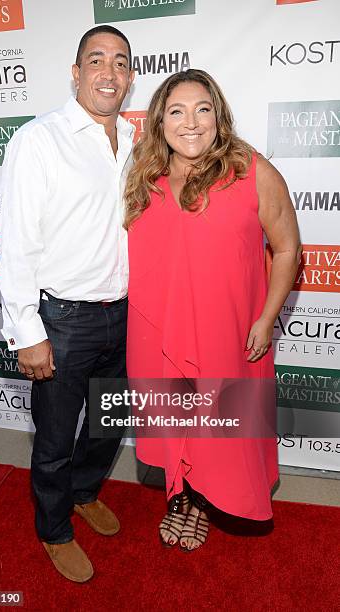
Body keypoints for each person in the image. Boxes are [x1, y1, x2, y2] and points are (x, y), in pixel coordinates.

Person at [124, 69, 301, 551]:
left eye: (203, 109)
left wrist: (266, 318)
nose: (191, 123)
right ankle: (181, 496)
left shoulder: (251, 170)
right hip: (157, 331)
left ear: (219, 117)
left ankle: (202, 500)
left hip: (226, 330)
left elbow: (287, 249)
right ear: (160, 122)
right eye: (176, 112)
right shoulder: (146, 176)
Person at [0, 25, 135, 582]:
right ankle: (53, 527)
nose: (109, 72)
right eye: (96, 60)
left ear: (129, 78)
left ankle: (82, 492)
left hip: (124, 313)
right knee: (54, 439)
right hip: (64, 319)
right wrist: (26, 329)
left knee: (108, 423)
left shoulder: (133, 141)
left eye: (121, 63)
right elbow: (17, 241)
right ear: (76, 73)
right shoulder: (39, 139)